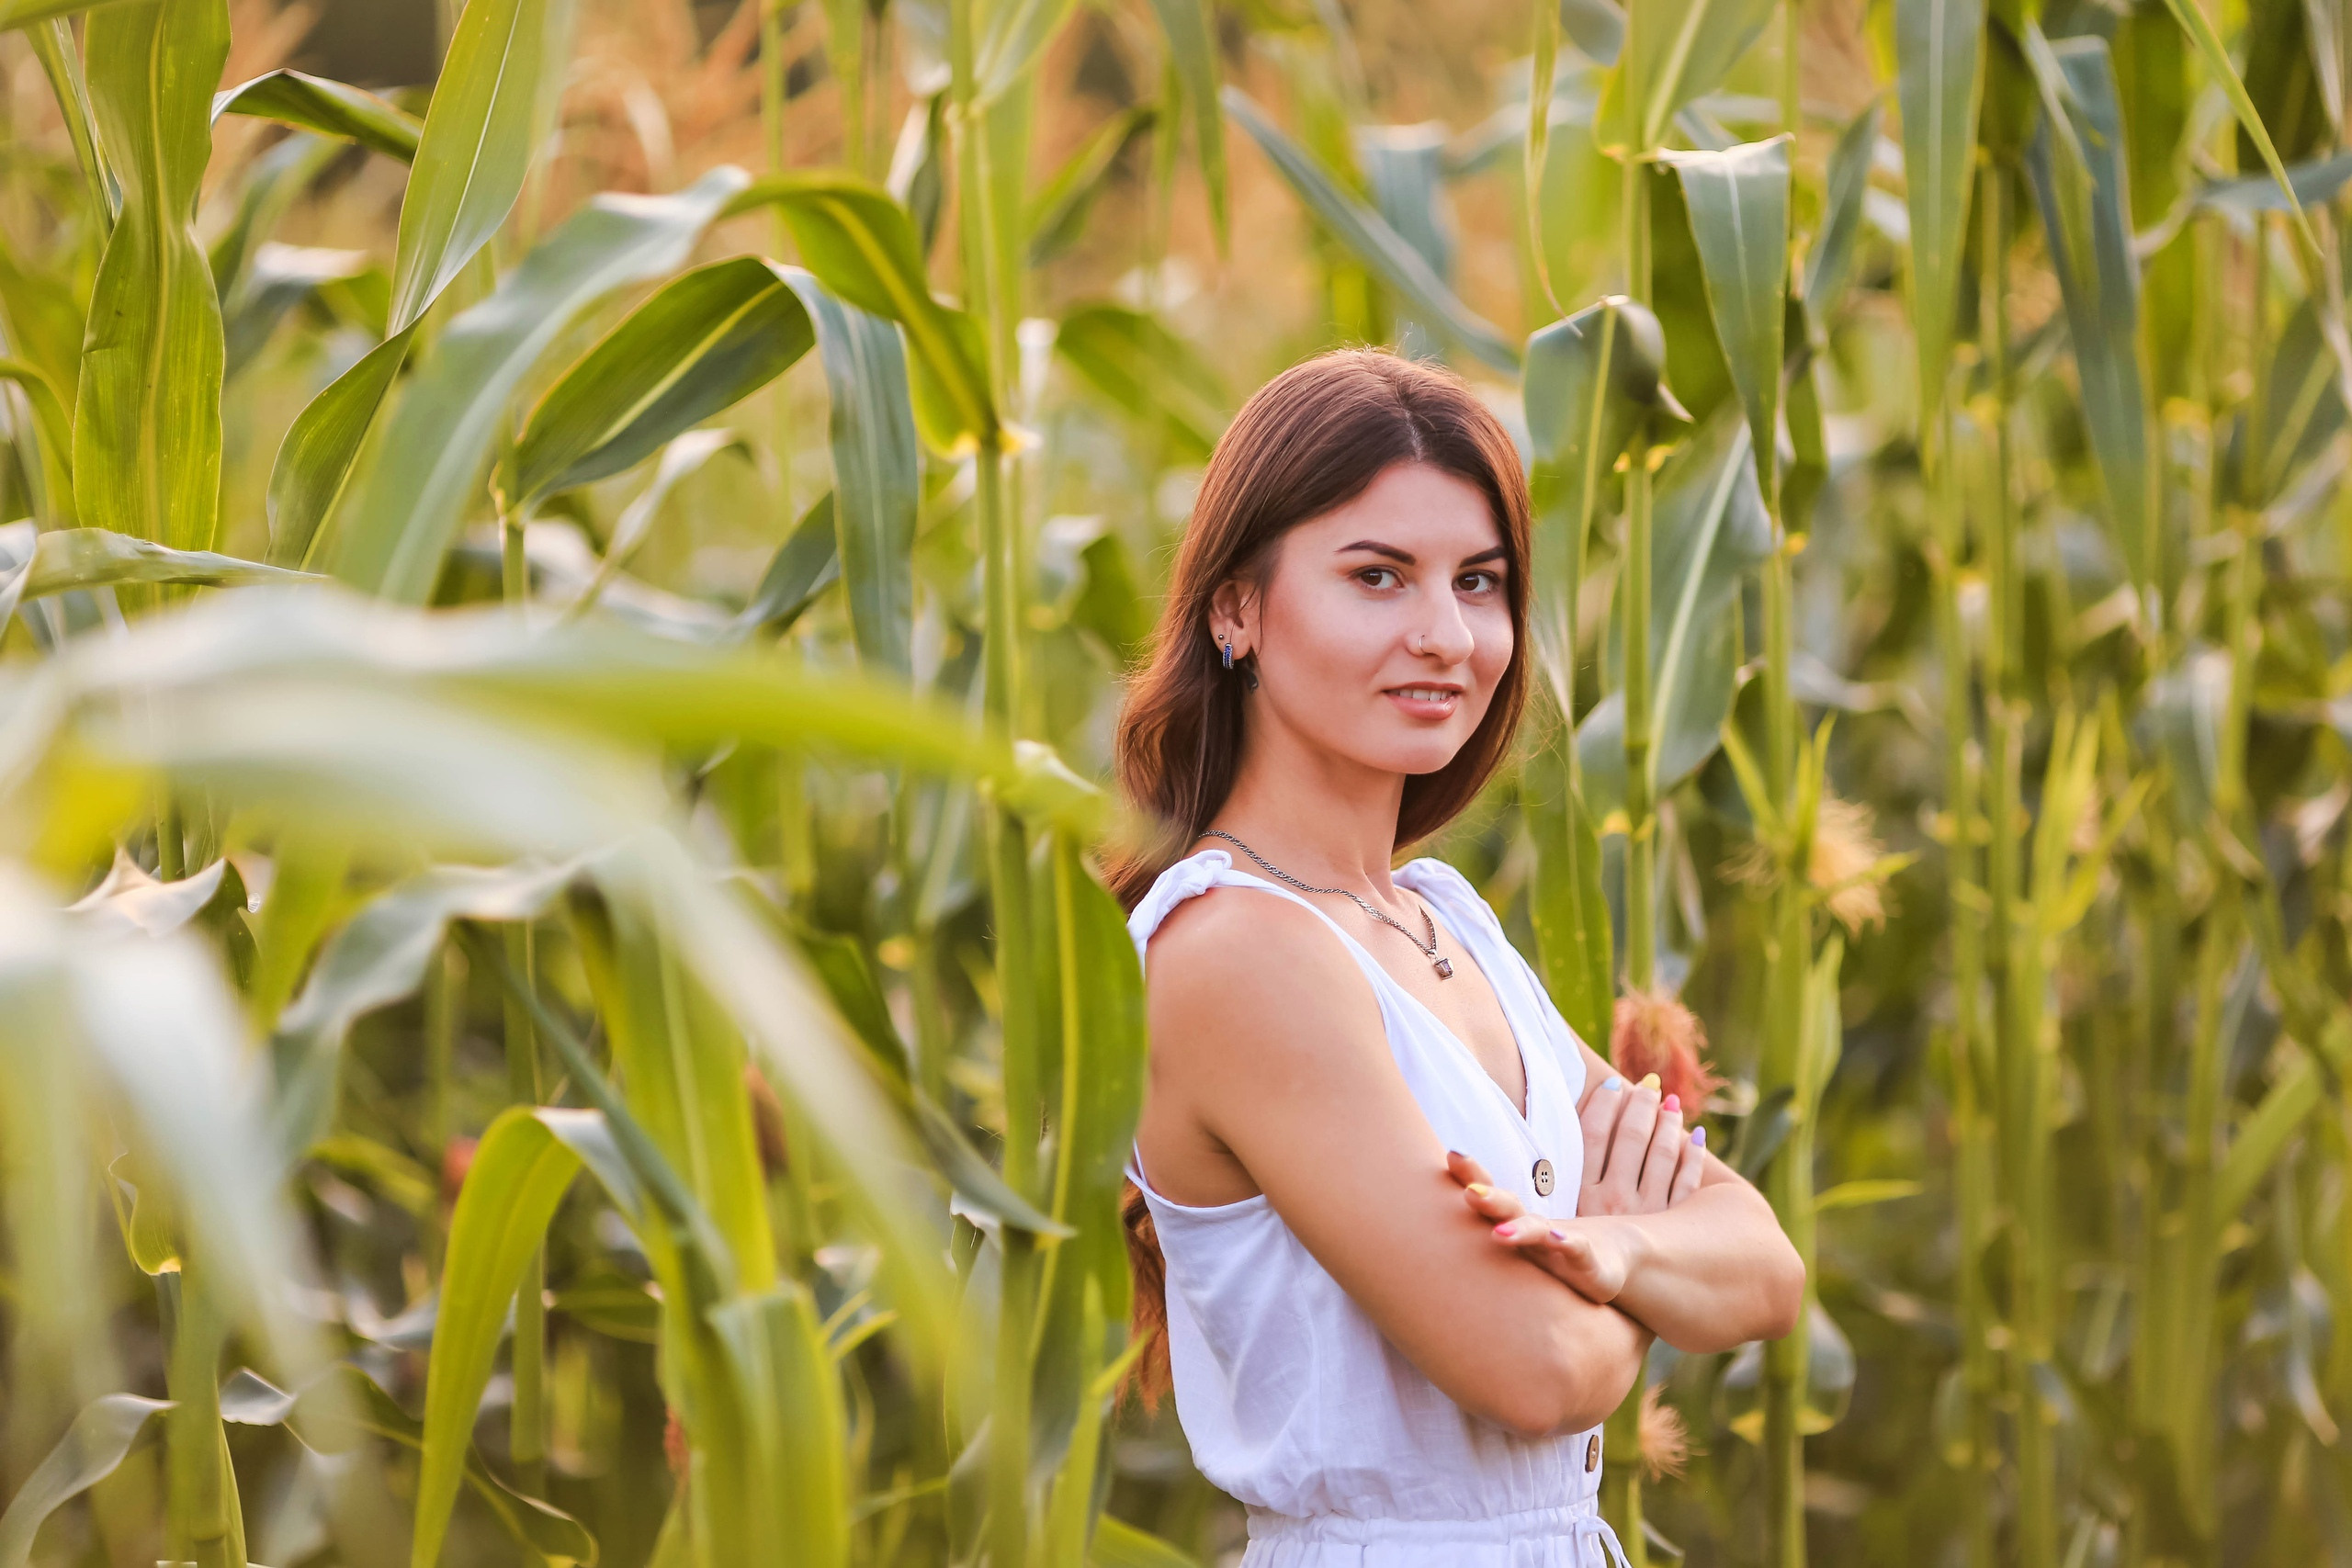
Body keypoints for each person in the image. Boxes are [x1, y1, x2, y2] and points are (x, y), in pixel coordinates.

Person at [1106, 348, 1805, 1566]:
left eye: (1479, 583)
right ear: (1236, 609)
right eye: (1378, 576)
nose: (1445, 634)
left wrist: (1613, 1246)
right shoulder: (1235, 951)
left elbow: (1766, 1266)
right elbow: (1530, 1373)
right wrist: (1632, 1271)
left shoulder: (1443, 918)